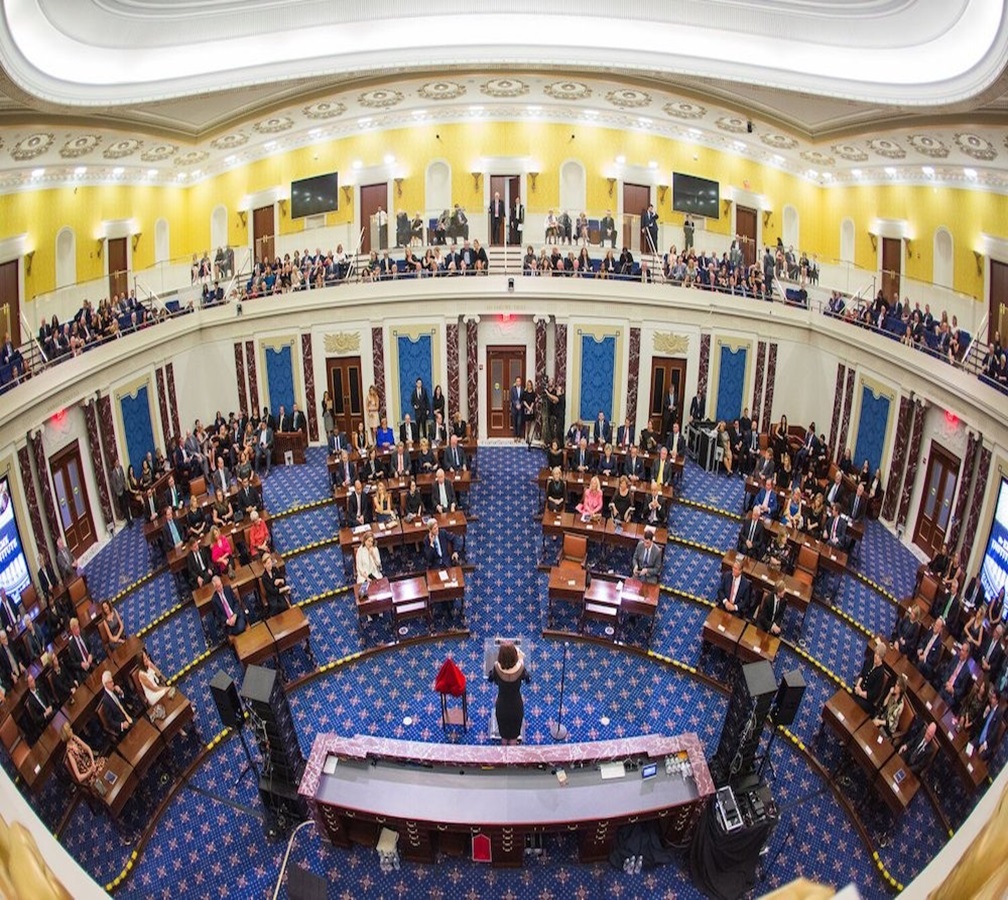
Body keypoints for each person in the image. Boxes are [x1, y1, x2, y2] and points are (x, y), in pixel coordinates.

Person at [489, 641, 529, 745]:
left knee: (504, 735)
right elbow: (528, 679)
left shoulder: (496, 668)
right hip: (516, 706)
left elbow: (490, 678)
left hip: (502, 706)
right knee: (514, 736)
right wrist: (521, 661)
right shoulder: (521, 668)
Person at [62, 723, 108, 796]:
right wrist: (90, 771)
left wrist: (92, 762)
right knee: (100, 783)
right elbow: (79, 778)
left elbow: (88, 748)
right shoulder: (70, 754)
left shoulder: (74, 738)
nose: (72, 729)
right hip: (86, 773)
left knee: (105, 763)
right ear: (67, 733)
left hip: (91, 764)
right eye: (70, 729)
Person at [852, 639, 886, 713]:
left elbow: (874, 694)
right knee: (851, 694)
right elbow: (862, 674)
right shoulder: (870, 660)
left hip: (867, 699)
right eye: (876, 654)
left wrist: (861, 693)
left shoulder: (880, 673)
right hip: (859, 688)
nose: (876, 657)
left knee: (857, 703)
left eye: (878, 656)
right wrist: (858, 686)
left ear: (882, 658)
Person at [873, 674, 907, 740]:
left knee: (876, 735)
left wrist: (879, 722)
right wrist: (889, 693)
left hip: (888, 728)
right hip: (883, 718)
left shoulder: (900, 705)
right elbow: (884, 705)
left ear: (901, 689)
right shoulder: (893, 694)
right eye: (896, 684)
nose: (895, 686)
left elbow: (890, 722)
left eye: (897, 685)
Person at [101, 669, 133, 734]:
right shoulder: (106, 700)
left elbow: (127, 701)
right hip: (123, 726)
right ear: (106, 684)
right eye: (110, 682)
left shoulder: (115, 690)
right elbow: (110, 721)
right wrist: (121, 725)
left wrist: (121, 693)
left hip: (129, 716)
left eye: (112, 681)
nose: (113, 683)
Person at [522, 380, 536, 447]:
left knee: (530, 423)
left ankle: (529, 436)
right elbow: (524, 401)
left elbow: (533, 401)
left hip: (531, 409)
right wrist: (528, 407)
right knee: (526, 424)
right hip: (526, 409)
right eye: (527, 385)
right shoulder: (525, 393)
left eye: (530, 385)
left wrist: (531, 408)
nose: (528, 386)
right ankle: (526, 436)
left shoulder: (533, 393)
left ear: (531, 386)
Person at [510, 376, 524, 441]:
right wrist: (516, 405)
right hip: (514, 408)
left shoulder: (523, 389)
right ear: (515, 382)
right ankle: (515, 436)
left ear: (520, 382)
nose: (518, 382)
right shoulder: (512, 389)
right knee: (514, 422)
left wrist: (520, 405)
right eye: (517, 381)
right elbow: (512, 399)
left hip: (520, 409)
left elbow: (523, 399)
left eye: (519, 381)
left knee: (519, 423)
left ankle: (519, 436)